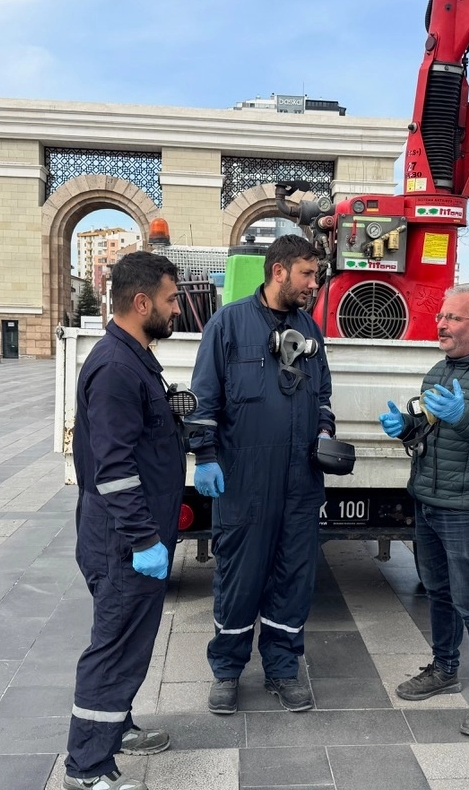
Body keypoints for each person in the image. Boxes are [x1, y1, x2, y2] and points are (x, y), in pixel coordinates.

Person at [188, 234, 335, 715]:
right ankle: (227, 671)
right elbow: (204, 399)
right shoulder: (228, 325)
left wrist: (325, 433)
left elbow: (323, 397)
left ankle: (283, 669)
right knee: (239, 578)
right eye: (307, 274)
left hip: (301, 482)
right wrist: (204, 456)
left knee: (293, 578)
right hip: (245, 481)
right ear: (278, 271)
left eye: (316, 275)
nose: (313, 284)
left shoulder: (310, 331)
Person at [378, 285, 469, 737]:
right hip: (428, 500)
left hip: (466, 509)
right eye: (440, 316)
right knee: (438, 592)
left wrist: (464, 416)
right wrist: (406, 427)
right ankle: (444, 668)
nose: (440, 324)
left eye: (452, 318)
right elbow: (429, 432)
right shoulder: (438, 371)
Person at [65, 252, 185, 790]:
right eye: (170, 299)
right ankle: (88, 768)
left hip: (133, 534)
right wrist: (142, 538)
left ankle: (116, 726)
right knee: (113, 648)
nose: (176, 308)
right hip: (123, 539)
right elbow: (113, 469)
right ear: (141, 303)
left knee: (129, 641)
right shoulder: (116, 367)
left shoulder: (134, 357)